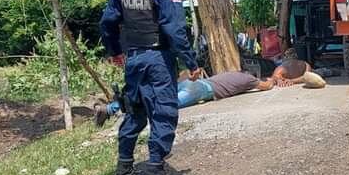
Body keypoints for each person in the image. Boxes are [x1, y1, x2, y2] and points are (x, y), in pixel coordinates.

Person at [99, 0, 199, 175]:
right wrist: (191, 63)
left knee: (135, 111)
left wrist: (115, 51)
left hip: (133, 59)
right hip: (158, 60)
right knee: (163, 113)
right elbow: (174, 31)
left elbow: (108, 20)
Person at [95, 70, 275, 126]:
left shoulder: (232, 73)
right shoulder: (249, 79)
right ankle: (119, 109)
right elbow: (266, 86)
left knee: (155, 96)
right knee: (160, 105)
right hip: (201, 91)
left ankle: (110, 108)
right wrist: (273, 79)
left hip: (193, 82)